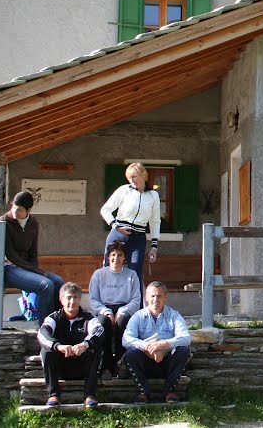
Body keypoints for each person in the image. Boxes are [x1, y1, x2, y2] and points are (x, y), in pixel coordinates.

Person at [0, 191, 65, 325]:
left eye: (19, 210)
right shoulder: (3, 222)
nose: (15, 213)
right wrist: (37, 272)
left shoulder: (33, 223)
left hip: (26, 268)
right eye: (13, 208)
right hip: (8, 267)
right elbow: (11, 255)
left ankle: (58, 324)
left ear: (28, 210)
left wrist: (35, 269)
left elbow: (33, 253)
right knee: (46, 285)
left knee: (58, 281)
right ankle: (44, 327)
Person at [38, 282, 105, 408]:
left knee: (96, 348)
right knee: (46, 351)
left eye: (75, 297)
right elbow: (42, 334)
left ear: (80, 299)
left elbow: (99, 331)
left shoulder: (88, 318)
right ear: (61, 299)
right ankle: (54, 395)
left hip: (82, 366)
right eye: (68, 297)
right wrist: (58, 346)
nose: (72, 302)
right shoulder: (53, 318)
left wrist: (85, 344)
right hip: (60, 367)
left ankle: (89, 395)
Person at [122, 281, 191, 404]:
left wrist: (162, 344)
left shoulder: (174, 316)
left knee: (183, 350)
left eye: (159, 296)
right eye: (153, 296)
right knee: (131, 353)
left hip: (167, 363)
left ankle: (169, 391)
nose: (156, 299)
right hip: (146, 362)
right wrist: (147, 347)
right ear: (147, 298)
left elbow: (186, 337)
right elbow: (126, 339)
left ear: (165, 297)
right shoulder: (138, 316)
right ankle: (143, 392)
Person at [99, 162, 161, 290]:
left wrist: (154, 246)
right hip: (118, 234)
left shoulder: (153, 196)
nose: (131, 180)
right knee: (108, 268)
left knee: (135, 272)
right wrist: (116, 226)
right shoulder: (124, 190)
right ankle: (105, 304)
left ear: (143, 175)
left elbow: (155, 221)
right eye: (129, 177)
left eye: (134, 176)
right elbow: (105, 209)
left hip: (138, 237)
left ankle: (136, 308)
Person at [89, 240, 141, 377]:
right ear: (108, 257)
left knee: (122, 322)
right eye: (113, 255)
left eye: (119, 255)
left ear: (124, 258)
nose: (115, 258)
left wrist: (123, 310)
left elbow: (136, 299)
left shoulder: (132, 275)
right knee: (103, 323)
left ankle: (121, 364)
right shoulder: (99, 275)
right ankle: (106, 366)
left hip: (124, 309)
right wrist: (106, 312)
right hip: (104, 309)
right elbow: (93, 300)